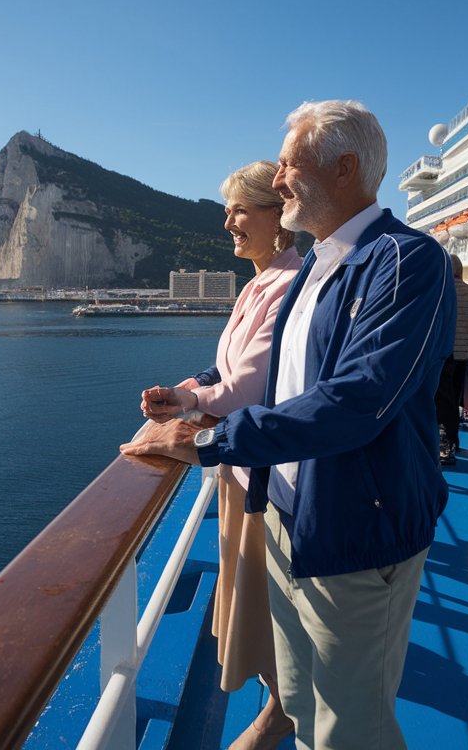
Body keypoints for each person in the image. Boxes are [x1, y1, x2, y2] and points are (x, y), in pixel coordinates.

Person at [123, 99, 454, 749]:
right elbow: (282, 387)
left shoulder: (405, 262)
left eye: (287, 164)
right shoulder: (319, 270)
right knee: (301, 697)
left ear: (345, 170)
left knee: (347, 725)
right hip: (289, 514)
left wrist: (210, 439)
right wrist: (195, 402)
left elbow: (357, 400)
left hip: (359, 528)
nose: (276, 180)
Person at [127, 160, 301, 750]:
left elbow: (246, 391)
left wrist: (189, 415)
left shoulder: (287, 283)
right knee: (259, 597)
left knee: (269, 601)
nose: (227, 221)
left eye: (238, 210)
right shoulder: (260, 281)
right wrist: (181, 395)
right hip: (244, 468)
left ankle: (282, 713)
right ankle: (284, 704)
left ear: (279, 217)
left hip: (262, 470)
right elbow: (226, 370)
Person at [438, 254, 468, 465]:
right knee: (455, 398)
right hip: (463, 352)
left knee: (441, 400)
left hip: (443, 352)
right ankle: (454, 439)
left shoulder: (441, 289)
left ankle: (443, 442)